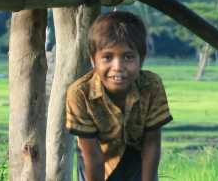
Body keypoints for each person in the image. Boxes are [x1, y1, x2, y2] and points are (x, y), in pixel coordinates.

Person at [66, 11, 172, 181]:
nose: (118, 67)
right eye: (107, 57)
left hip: (136, 155)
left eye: (128, 57)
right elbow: (93, 158)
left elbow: (151, 143)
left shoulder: (151, 85)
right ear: (93, 60)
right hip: (94, 156)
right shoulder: (80, 94)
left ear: (141, 59)